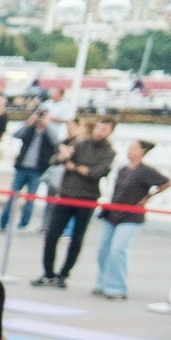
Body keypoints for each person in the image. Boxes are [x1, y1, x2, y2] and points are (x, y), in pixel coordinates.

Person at [37, 117, 115, 289]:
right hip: (66, 194)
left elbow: (98, 172)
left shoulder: (109, 152)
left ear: (110, 132)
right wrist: (64, 157)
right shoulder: (81, 143)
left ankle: (64, 274)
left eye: (104, 130)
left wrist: (76, 167)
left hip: (87, 198)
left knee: (76, 239)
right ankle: (48, 273)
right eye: (98, 128)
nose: (99, 132)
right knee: (51, 235)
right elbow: (55, 160)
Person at [92, 140, 171, 302]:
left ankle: (117, 287)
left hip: (131, 216)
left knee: (118, 250)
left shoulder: (146, 171)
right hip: (113, 213)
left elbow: (166, 183)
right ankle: (102, 282)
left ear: (142, 151)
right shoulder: (122, 170)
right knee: (104, 250)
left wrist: (148, 197)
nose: (129, 152)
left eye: (133, 149)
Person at [0, 108, 57, 236]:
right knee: (12, 196)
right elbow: (16, 134)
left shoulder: (49, 132)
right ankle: (3, 223)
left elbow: (56, 142)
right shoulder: (30, 129)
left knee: (30, 198)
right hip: (21, 167)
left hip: (37, 170)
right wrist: (29, 121)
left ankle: (23, 225)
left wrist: (47, 125)